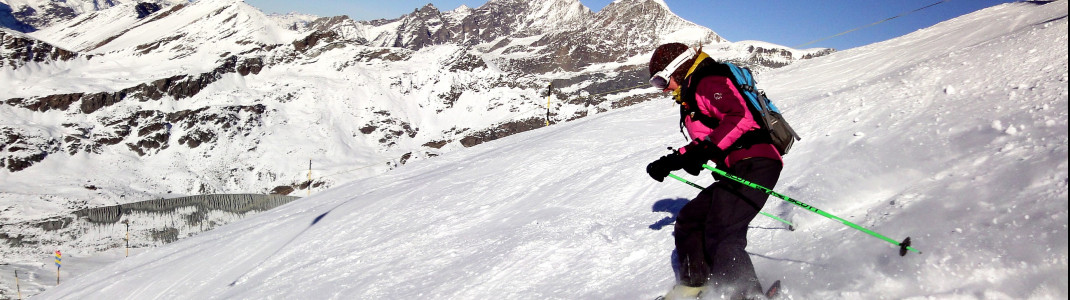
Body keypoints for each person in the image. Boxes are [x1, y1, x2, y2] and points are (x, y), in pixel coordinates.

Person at [645, 43, 784, 300]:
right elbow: (708, 138)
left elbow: (740, 117)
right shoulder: (692, 92)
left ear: (679, 68)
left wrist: (704, 149)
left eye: (662, 80)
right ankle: (693, 283)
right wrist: (675, 159)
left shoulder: (708, 81)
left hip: (755, 160)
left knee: (722, 229)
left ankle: (745, 294)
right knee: (690, 218)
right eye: (656, 82)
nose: (663, 88)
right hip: (736, 166)